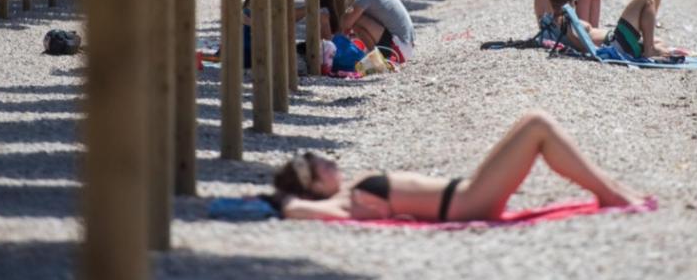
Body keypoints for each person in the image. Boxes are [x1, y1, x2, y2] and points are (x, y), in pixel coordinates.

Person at [263, 110, 646, 222]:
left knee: (529, 124)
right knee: (537, 125)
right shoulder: (341, 203)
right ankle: (609, 193)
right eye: (318, 165)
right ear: (314, 186)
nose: (327, 161)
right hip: (466, 203)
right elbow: (299, 210)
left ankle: (612, 189)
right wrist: (279, 201)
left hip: (465, 196)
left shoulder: (350, 191)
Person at [547, 0, 666, 61]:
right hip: (616, 43)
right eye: (575, 1)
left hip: (618, 42)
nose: (576, 4)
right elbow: (580, 44)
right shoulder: (565, 21)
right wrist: (598, 52)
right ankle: (649, 51)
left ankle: (652, 50)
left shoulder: (562, 21)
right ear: (569, 2)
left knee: (659, 41)